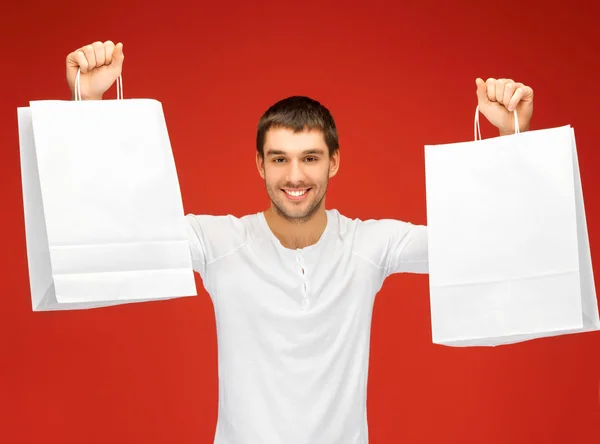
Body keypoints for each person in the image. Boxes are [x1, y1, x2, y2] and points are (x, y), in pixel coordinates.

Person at [65, 40, 534, 444]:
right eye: (279, 159)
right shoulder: (217, 241)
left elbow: (482, 245)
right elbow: (117, 229)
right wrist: (86, 103)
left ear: (333, 163)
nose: (294, 176)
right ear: (260, 166)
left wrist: (511, 139)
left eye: (310, 157)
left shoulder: (371, 245)